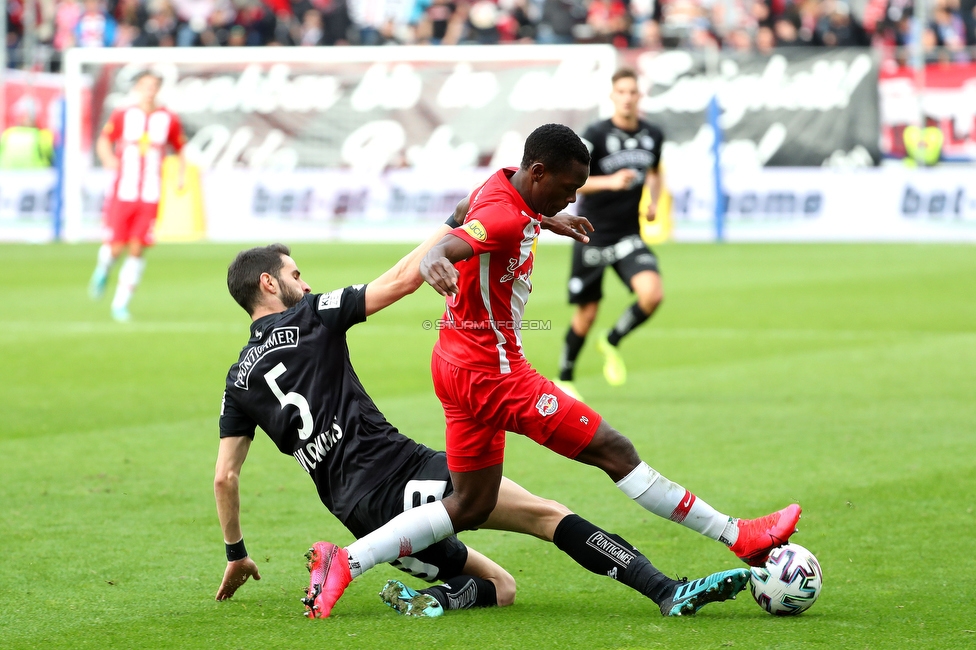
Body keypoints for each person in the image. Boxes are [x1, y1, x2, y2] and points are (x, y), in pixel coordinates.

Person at [308, 123, 802, 619]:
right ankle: (737, 535)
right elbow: (460, 239)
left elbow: (463, 214)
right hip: (495, 374)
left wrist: (544, 220)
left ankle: (346, 561)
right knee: (614, 450)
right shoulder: (502, 216)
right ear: (539, 172)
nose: (572, 199)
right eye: (567, 189)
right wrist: (437, 257)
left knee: (471, 504)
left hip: (454, 365)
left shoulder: (501, 185)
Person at [215, 229, 752, 620]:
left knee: (501, 586)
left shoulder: (237, 381)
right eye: (295, 274)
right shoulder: (311, 317)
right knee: (547, 514)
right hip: (400, 474)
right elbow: (403, 279)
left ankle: (433, 600)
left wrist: (237, 554)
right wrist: (453, 228)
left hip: (358, 512)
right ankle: (665, 591)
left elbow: (226, 477)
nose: (305, 285)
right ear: (269, 282)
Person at [557, 67, 666, 398]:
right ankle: (565, 377)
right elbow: (572, 180)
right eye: (622, 92)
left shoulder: (653, 134)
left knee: (652, 294)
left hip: (628, 234)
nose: (628, 98)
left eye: (633, 92)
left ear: (639, 96)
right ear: (612, 96)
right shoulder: (596, 134)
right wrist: (610, 181)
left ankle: (612, 340)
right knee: (587, 313)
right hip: (592, 234)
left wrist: (654, 202)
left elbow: (656, 171)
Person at [87, 70, 186, 322]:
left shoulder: (168, 118)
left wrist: (180, 176)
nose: (149, 90)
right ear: (138, 88)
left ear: (159, 89)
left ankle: (120, 305)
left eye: (154, 86)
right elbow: (103, 140)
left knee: (137, 247)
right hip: (124, 192)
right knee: (117, 246)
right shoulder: (123, 114)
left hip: (151, 194)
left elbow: (180, 148)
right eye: (145, 85)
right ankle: (104, 268)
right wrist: (108, 158)